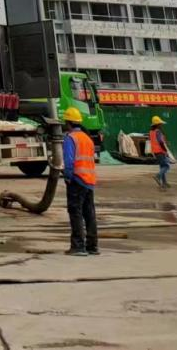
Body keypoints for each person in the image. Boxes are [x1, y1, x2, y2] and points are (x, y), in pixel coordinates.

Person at [61, 105, 98, 256]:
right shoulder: (87, 139)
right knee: (89, 214)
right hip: (89, 181)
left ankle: (78, 246)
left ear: (68, 123)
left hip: (77, 180)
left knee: (75, 212)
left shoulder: (70, 138)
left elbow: (69, 162)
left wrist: (68, 178)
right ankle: (92, 246)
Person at [148, 115, 173, 188]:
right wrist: (165, 150)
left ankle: (164, 183)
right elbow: (160, 142)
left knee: (162, 166)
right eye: (160, 124)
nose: (162, 125)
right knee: (166, 166)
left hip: (155, 152)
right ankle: (157, 176)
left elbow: (156, 141)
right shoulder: (158, 131)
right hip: (160, 151)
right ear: (158, 124)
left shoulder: (151, 132)